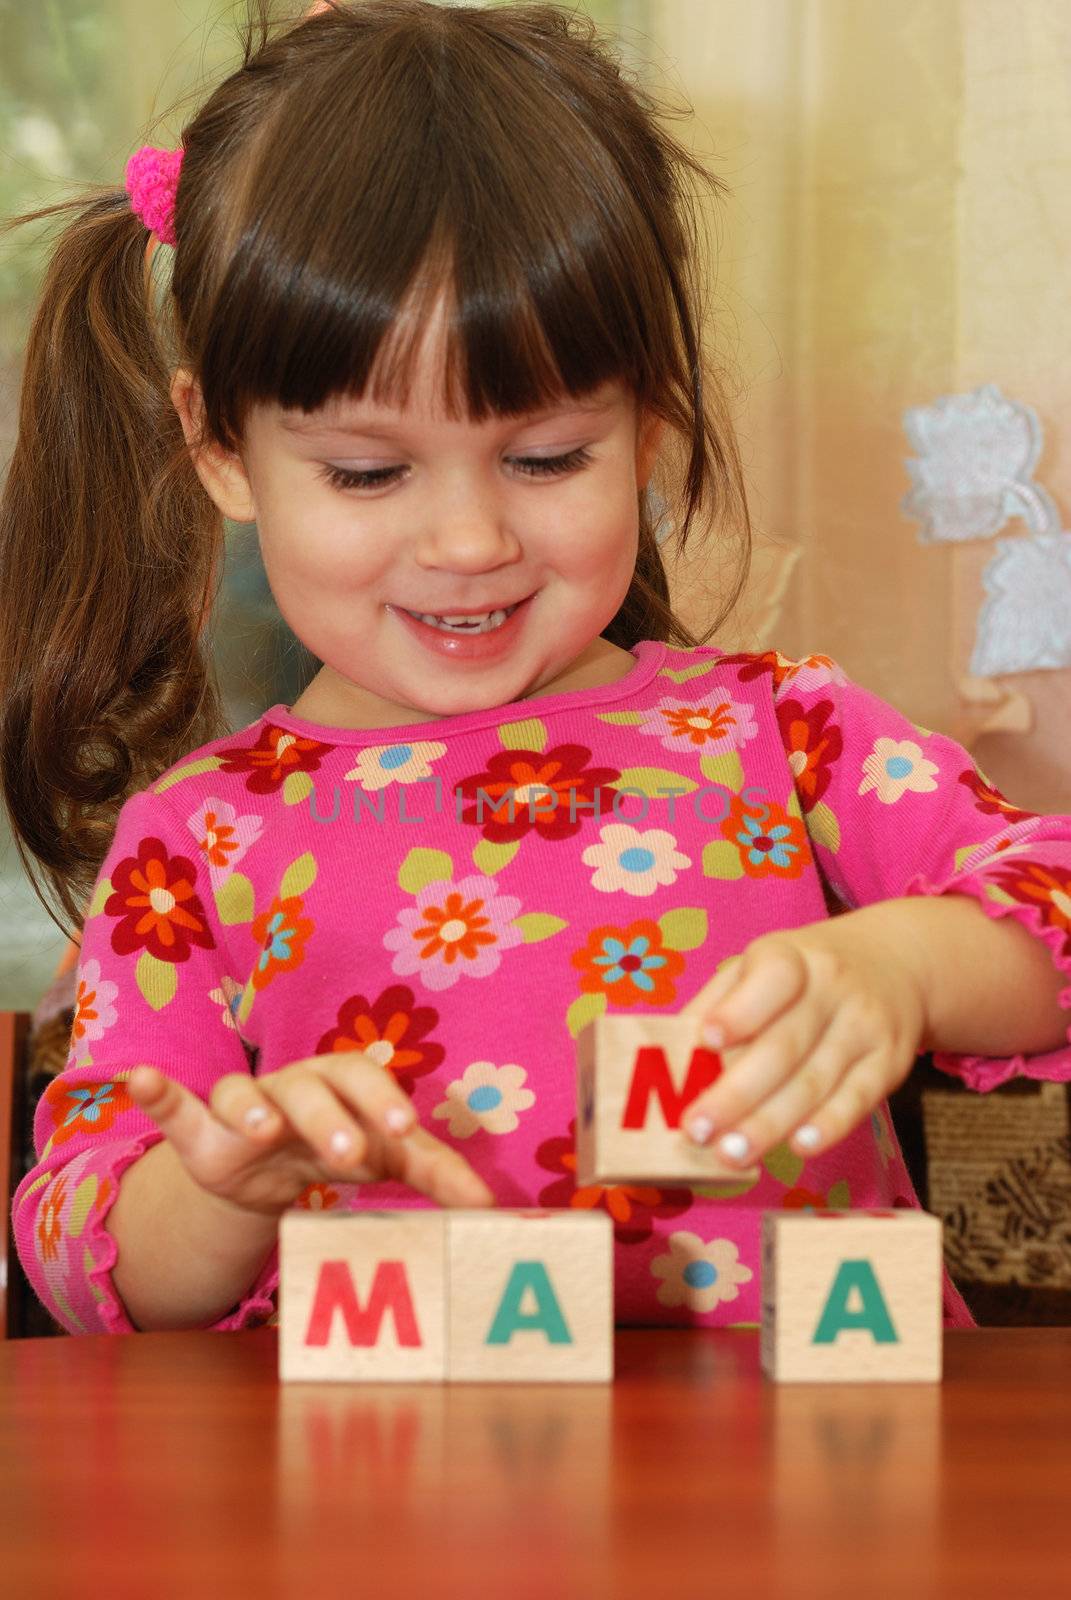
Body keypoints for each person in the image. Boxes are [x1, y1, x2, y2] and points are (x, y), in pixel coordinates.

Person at [3, 0, 1069, 1339]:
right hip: (382, 1516)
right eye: (368, 471)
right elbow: (73, 1241)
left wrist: (911, 966)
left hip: (811, 1503)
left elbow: (1051, 901)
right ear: (218, 448)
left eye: (547, 456)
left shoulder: (778, 732)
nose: (468, 539)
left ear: (649, 425)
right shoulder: (198, 840)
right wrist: (224, 1197)